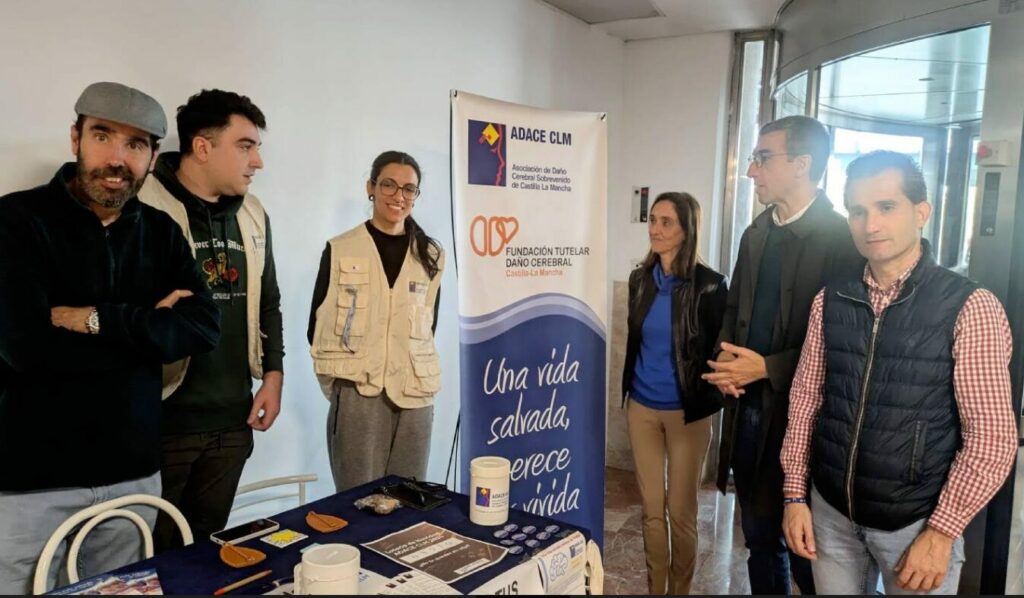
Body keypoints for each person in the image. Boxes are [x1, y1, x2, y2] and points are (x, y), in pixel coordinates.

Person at [0, 82, 219, 593]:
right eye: (103, 136)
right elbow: (25, 349)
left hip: (133, 473)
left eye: (137, 144)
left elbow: (201, 327)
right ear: (76, 137)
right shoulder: (16, 221)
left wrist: (97, 319)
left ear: (152, 156)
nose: (117, 159)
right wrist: (150, 329)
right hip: (32, 480)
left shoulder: (162, 232)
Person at [781, 150, 1017, 595]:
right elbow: (806, 401)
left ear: (921, 212)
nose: (870, 225)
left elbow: (991, 439)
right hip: (830, 514)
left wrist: (943, 531)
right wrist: (795, 496)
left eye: (886, 207)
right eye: (858, 211)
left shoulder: (970, 306)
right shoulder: (830, 299)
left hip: (915, 524)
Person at [703, 115, 863, 594]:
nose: (752, 170)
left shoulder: (841, 239)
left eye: (763, 158)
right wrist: (728, 366)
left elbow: (850, 344)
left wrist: (767, 368)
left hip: (808, 426)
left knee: (809, 552)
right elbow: (733, 311)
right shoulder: (757, 234)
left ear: (802, 164)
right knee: (758, 538)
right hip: (749, 414)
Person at [138, 89, 284, 551]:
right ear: (202, 147)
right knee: (146, 558)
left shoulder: (255, 213)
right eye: (245, 146)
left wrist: (274, 376)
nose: (257, 161)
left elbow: (269, 302)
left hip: (232, 420)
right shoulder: (143, 207)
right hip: (161, 419)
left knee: (205, 554)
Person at [308, 150, 444, 491]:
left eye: (409, 189)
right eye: (388, 185)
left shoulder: (431, 256)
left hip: (414, 397)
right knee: (358, 499)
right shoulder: (341, 248)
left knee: (407, 501)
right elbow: (316, 324)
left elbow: (429, 327)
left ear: (416, 195)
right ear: (371, 187)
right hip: (358, 392)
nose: (399, 196)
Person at [621, 192, 727, 595]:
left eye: (667, 222)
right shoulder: (639, 280)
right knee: (651, 511)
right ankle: (656, 589)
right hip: (642, 409)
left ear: (687, 230)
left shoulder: (711, 286)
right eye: (652, 220)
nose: (655, 229)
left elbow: (720, 350)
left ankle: (680, 591)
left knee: (680, 512)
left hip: (689, 413)